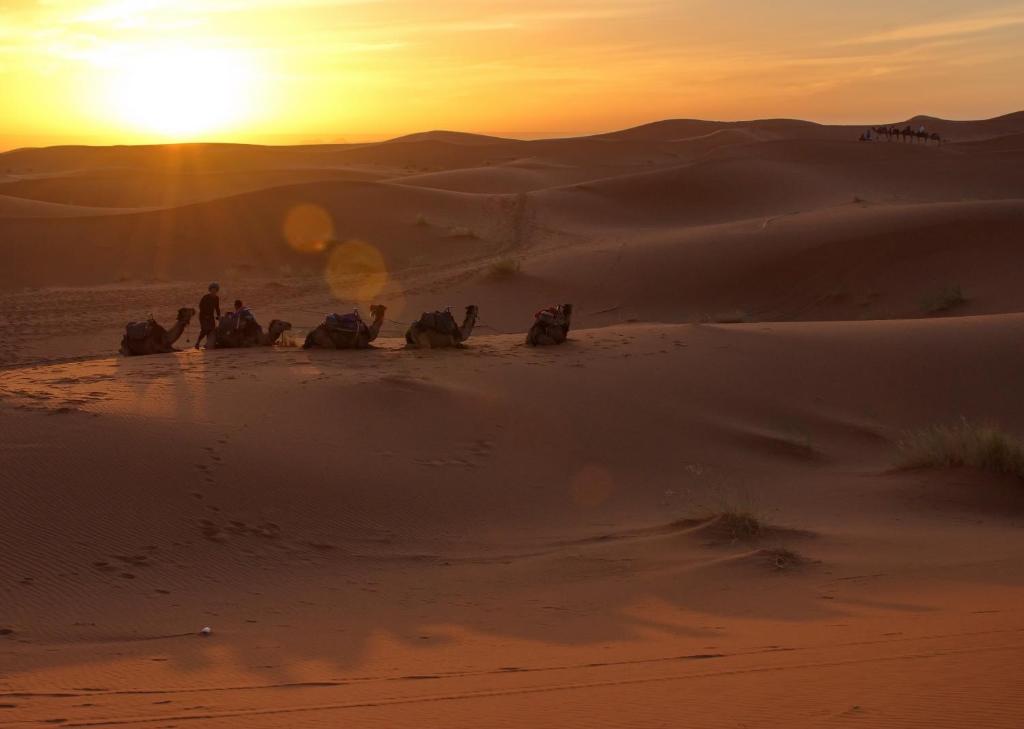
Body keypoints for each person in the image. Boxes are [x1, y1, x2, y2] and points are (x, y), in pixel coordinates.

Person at [194, 282, 221, 349]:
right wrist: (205, 315)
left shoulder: (216, 298)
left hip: (211, 316)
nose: (213, 290)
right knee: (204, 330)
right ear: (210, 289)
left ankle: (208, 343)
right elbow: (201, 306)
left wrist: (219, 316)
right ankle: (197, 343)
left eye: (215, 289)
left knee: (211, 330)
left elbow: (217, 308)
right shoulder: (205, 297)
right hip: (203, 316)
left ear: (217, 290)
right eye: (212, 289)